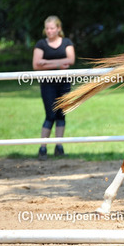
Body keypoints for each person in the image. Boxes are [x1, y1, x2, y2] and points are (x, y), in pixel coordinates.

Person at [32, 16, 75, 160]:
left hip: (64, 83)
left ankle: (59, 147)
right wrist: (58, 65)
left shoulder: (67, 42)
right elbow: (36, 65)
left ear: (58, 28)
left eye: (52, 28)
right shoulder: (41, 44)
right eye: (47, 28)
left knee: (61, 114)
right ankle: (42, 148)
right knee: (50, 114)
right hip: (47, 83)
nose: (49, 31)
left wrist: (47, 63)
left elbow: (70, 60)